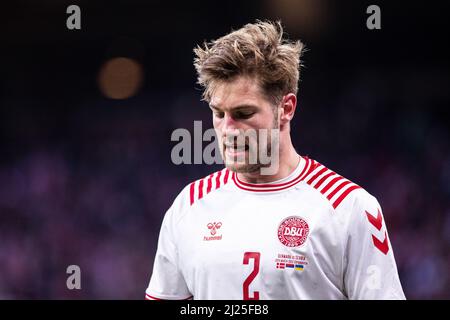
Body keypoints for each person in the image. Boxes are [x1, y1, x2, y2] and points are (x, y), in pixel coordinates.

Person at [145, 20, 405, 300]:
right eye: (219, 114)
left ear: (286, 108)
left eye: (244, 114)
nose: (228, 129)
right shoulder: (188, 206)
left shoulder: (349, 209)